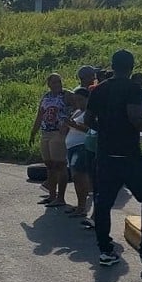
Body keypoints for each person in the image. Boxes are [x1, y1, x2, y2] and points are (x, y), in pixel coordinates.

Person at [85, 49, 142, 267]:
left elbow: (88, 119)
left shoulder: (98, 89)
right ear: (131, 67)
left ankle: (105, 251)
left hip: (105, 156)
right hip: (129, 156)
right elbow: (135, 116)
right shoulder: (133, 88)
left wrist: (105, 130)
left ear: (112, 65)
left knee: (102, 204)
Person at [29, 73, 69, 207]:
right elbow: (39, 115)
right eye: (54, 82)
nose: (58, 85)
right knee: (49, 164)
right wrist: (33, 133)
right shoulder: (46, 97)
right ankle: (52, 195)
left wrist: (68, 124)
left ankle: (61, 198)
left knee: (60, 164)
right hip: (45, 132)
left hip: (58, 132)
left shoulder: (66, 95)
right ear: (49, 84)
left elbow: (80, 106)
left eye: (59, 81)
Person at [62, 87, 92, 217]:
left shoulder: (90, 113)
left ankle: (82, 207)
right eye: (76, 100)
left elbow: (90, 130)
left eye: (80, 100)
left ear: (87, 99)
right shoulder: (77, 112)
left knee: (80, 177)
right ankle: (80, 205)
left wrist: (74, 125)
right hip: (71, 147)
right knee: (75, 178)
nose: (78, 102)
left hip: (81, 147)